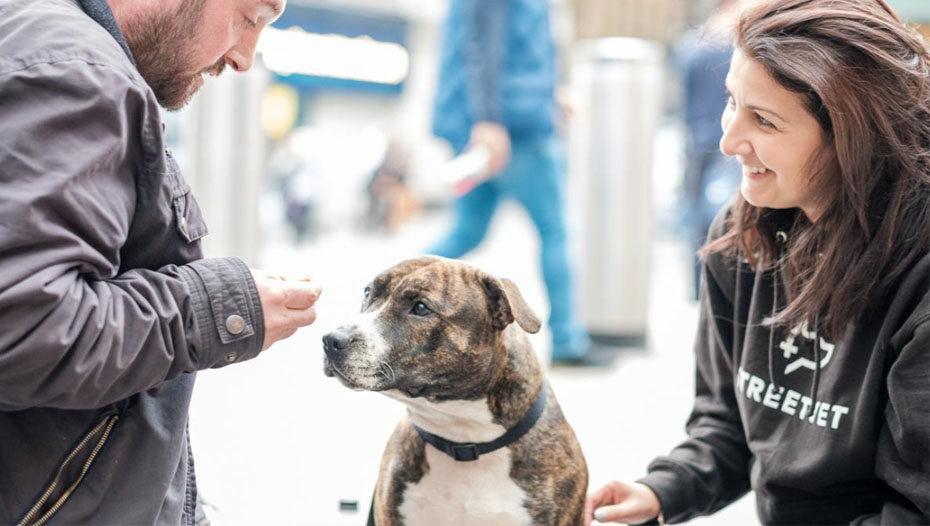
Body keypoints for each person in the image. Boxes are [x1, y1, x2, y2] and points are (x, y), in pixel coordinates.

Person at [585, 0, 930, 524]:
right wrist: (663, 491)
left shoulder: (917, 278)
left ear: (855, 138)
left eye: (764, 121)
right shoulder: (743, 231)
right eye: (732, 101)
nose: (728, 142)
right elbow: (726, 424)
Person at [0, 0, 321, 523]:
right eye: (250, 17)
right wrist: (221, 309)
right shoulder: (78, 72)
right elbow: (26, 327)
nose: (244, 57)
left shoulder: (41, 43)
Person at [427, 0, 595, 364]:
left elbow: (507, 43)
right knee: (555, 230)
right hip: (512, 129)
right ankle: (567, 339)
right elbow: (484, 43)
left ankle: (389, 295)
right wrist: (489, 119)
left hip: (495, 121)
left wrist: (545, 93)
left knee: (467, 231)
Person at [672, 0, 742, 300]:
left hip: (697, 139)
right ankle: (722, 288)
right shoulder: (740, 44)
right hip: (728, 138)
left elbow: (683, 99)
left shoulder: (691, 45)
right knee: (730, 214)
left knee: (697, 218)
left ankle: (698, 286)